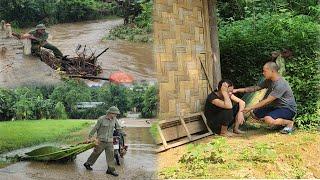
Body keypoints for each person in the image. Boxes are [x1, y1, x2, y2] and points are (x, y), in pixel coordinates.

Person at [233, 62, 297, 134]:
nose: (263, 73)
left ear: (272, 71)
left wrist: (250, 107)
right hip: (276, 108)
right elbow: (255, 88)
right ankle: (278, 123)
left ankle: (289, 123)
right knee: (255, 113)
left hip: (288, 109)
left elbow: (267, 101)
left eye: (265, 71)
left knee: (268, 119)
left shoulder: (281, 84)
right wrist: (237, 90)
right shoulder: (269, 81)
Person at [83, 106, 123, 177]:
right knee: (96, 153)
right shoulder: (101, 119)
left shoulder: (114, 119)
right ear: (110, 113)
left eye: (116, 114)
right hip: (101, 141)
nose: (116, 115)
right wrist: (89, 137)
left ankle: (110, 170)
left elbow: (118, 128)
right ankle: (88, 163)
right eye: (115, 114)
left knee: (111, 155)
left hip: (110, 141)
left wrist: (122, 132)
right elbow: (95, 128)